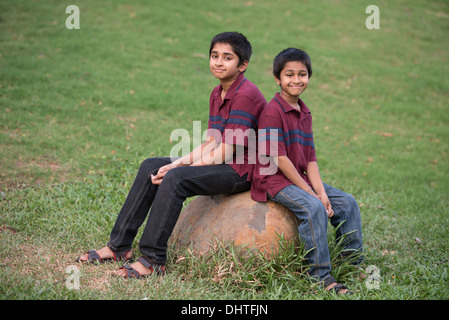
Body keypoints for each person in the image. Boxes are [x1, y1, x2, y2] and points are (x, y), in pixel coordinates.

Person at [77, 32, 267, 278]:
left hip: (241, 170)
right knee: (151, 167)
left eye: (227, 58)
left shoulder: (246, 95)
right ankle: (119, 247)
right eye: (214, 56)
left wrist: (180, 170)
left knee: (176, 179)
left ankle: (153, 260)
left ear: (242, 65)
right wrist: (176, 162)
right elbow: (211, 142)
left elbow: (225, 151)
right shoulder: (218, 92)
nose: (218, 62)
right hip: (223, 159)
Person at [251, 48, 363, 294]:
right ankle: (320, 277)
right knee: (313, 209)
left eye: (302, 74)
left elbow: (310, 157)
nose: (296, 80)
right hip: (273, 179)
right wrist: (311, 195)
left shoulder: (304, 111)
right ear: (277, 78)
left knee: (347, 203)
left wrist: (321, 191)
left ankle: (352, 265)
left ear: (309, 77)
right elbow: (279, 159)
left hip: (297, 178)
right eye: (289, 74)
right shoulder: (272, 112)